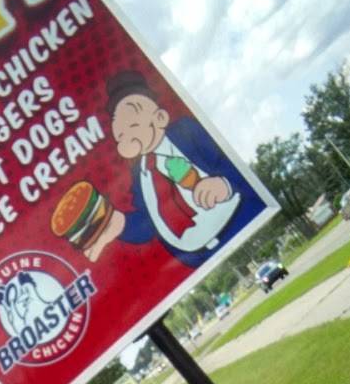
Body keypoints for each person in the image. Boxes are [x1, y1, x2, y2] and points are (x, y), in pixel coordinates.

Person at [81, 70, 257, 266]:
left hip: (241, 222)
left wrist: (224, 184)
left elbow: (228, 161)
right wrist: (121, 224)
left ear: (160, 118)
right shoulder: (140, 175)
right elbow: (148, 223)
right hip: (200, 258)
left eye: (133, 125)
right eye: (121, 132)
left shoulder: (186, 132)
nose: (126, 133)